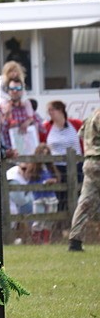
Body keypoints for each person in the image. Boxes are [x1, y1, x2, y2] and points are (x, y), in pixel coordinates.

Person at [67, 94, 100, 252]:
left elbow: (81, 134)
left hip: (89, 162)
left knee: (85, 201)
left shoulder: (92, 115)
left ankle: (75, 239)